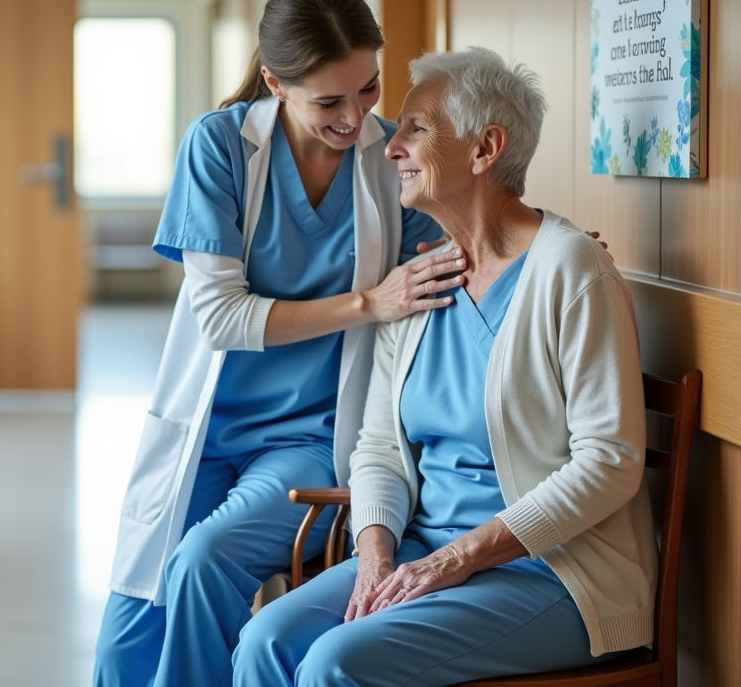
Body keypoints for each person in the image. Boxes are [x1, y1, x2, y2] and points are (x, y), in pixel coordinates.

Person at [231, 47, 658, 687]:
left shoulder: (570, 270)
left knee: (334, 663)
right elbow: (378, 446)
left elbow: (610, 460)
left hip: (553, 570)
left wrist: (458, 558)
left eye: (416, 129)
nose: (388, 147)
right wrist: (374, 553)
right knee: (264, 639)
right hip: (421, 550)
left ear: (485, 149)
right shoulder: (424, 278)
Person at [94, 0, 467, 687]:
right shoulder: (221, 148)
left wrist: (552, 246)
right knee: (126, 644)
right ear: (274, 82)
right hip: (204, 433)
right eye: (329, 100)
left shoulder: (392, 162)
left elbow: (464, 245)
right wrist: (369, 303)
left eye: (369, 89)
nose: (356, 118)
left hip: (310, 439)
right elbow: (222, 317)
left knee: (203, 561)